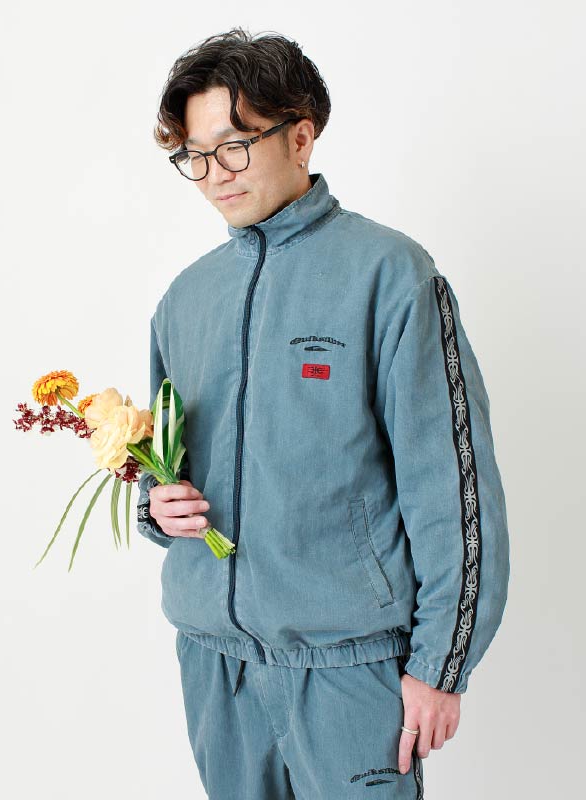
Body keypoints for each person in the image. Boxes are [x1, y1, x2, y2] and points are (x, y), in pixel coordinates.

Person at [136, 27, 510, 800]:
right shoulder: (184, 300)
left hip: (349, 666)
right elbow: (162, 461)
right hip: (215, 665)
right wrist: (156, 505)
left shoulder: (390, 275)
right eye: (195, 157)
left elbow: (453, 487)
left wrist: (441, 665)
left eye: (234, 146)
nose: (213, 176)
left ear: (300, 135)